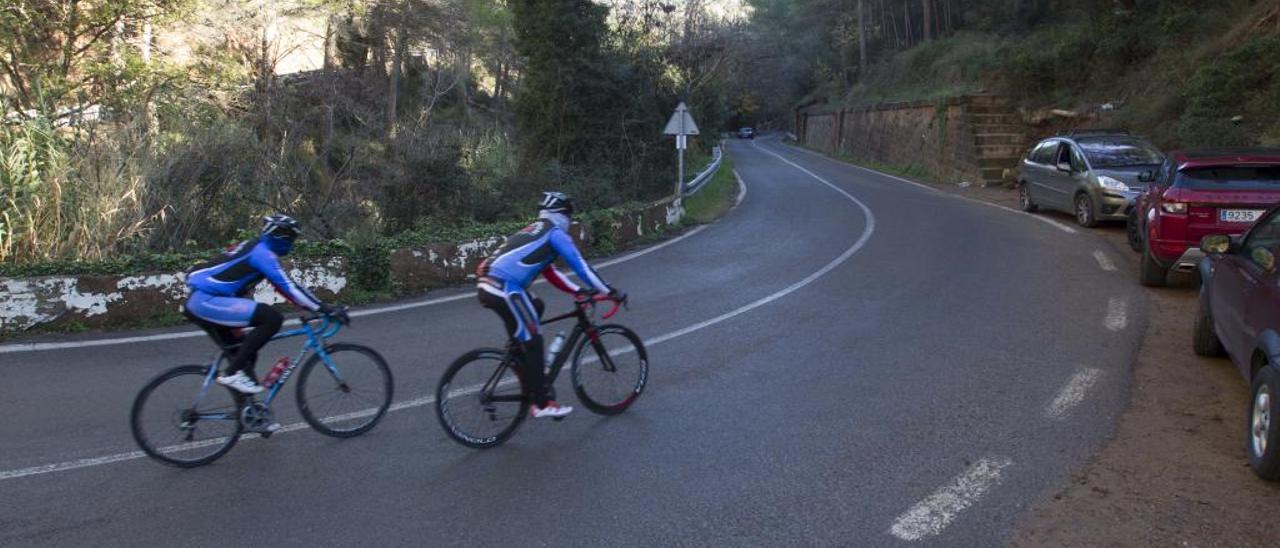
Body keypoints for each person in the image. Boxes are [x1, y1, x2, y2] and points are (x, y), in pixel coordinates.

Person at [475, 192, 625, 419]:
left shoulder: (535, 231)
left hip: (490, 286)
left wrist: (577, 291)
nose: (570, 222)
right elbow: (581, 267)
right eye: (569, 216)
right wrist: (610, 291)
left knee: (536, 306)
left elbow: (551, 273)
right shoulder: (555, 234)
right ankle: (542, 403)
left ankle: (521, 360)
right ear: (563, 215)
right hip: (504, 288)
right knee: (534, 339)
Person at [184, 214, 345, 398]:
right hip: (206, 301)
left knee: (246, 354)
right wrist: (323, 308)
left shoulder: (255, 245)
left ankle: (249, 416)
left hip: (206, 300)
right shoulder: (263, 254)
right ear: (282, 238)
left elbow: (276, 287)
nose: (292, 244)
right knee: (272, 319)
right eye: (291, 239)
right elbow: (290, 288)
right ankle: (231, 373)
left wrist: (311, 307)